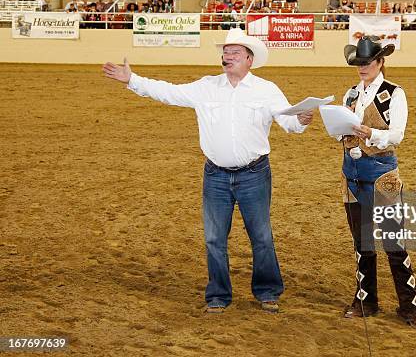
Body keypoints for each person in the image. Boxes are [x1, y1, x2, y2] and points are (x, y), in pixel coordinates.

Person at [102, 28, 314, 314]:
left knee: (261, 236)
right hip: (215, 175)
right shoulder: (206, 86)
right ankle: (218, 294)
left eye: (235, 53)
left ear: (249, 60)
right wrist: (133, 80)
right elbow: (169, 92)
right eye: (225, 53)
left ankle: (267, 291)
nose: (227, 56)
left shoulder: (267, 90)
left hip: (254, 174)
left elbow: (288, 122)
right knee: (214, 238)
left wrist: (301, 119)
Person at [339, 36, 416, 330]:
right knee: (361, 242)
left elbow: (397, 135)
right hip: (352, 175)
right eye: (359, 63)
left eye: (367, 62)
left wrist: (370, 134)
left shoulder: (394, 94)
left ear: (380, 63)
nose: (362, 68)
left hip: (382, 176)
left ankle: (410, 305)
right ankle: (366, 299)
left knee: (394, 242)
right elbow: (341, 131)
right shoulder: (350, 95)